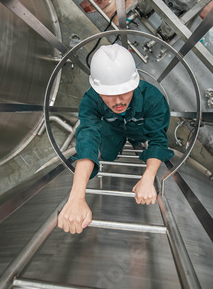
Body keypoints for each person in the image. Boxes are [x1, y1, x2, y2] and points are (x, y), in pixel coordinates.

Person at [58, 44, 174, 234]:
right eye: (109, 95)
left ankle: (135, 143)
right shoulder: (91, 100)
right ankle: (117, 149)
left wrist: (148, 177)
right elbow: (87, 139)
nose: (118, 101)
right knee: (109, 155)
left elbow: (158, 139)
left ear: (134, 84)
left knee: (140, 142)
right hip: (113, 130)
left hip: (139, 131)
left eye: (124, 91)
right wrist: (76, 197)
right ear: (97, 89)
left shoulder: (153, 99)